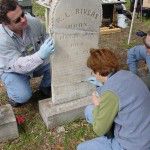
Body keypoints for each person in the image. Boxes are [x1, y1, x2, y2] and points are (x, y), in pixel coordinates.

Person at [77, 48, 150, 150]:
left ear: (98, 72)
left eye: (92, 72)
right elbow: (119, 91)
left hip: (133, 145)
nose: (93, 75)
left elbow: (99, 130)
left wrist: (97, 104)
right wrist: (101, 86)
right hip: (143, 132)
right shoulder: (128, 74)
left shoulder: (111, 94)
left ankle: (111, 141)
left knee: (81, 148)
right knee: (89, 110)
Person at [0, 0, 55, 107]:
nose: (24, 20)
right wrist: (40, 55)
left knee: (57, 64)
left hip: (36, 62)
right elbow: (18, 65)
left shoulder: (34, 22)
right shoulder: (2, 40)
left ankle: (45, 87)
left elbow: (46, 37)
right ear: (6, 24)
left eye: (22, 14)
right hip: (13, 69)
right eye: (17, 20)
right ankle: (14, 96)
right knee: (23, 96)